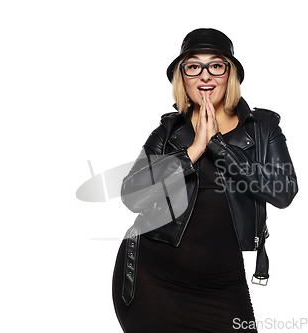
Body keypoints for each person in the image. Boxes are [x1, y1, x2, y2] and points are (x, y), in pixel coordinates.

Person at [112, 28, 298, 332]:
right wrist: (193, 150)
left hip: (223, 283)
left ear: (231, 74)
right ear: (182, 77)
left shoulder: (263, 128)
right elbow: (133, 197)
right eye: (193, 66)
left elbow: (283, 192)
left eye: (216, 65)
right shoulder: (168, 132)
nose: (205, 75)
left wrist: (217, 146)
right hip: (153, 277)